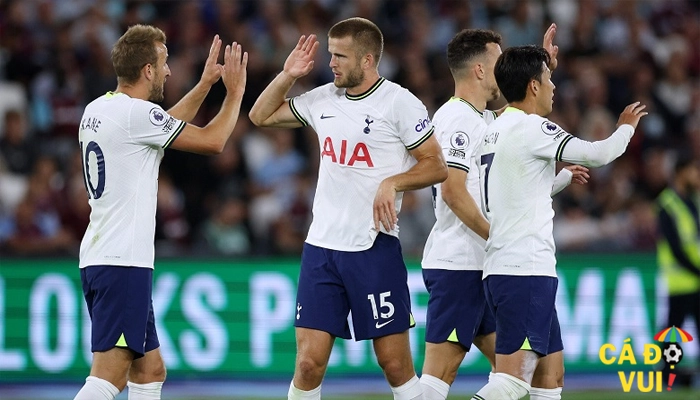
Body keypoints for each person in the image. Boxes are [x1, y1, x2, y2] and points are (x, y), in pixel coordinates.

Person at [248, 17, 448, 400]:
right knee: (308, 363)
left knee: (395, 366)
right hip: (322, 248)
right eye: (330, 54)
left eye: (340, 56)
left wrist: (393, 182)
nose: (331, 63)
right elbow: (260, 116)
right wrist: (288, 74)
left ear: (368, 59)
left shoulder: (399, 103)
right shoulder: (323, 98)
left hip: (373, 247)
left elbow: (435, 164)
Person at [74, 24, 247, 400]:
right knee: (108, 378)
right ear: (148, 70)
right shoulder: (136, 116)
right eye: (164, 63)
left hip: (102, 256)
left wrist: (203, 86)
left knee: (151, 369)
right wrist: (234, 95)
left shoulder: (99, 108)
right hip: (123, 262)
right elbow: (213, 140)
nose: (168, 71)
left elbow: (160, 130)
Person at [420, 26, 589, 400]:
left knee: (543, 372)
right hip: (461, 262)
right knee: (442, 374)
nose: (503, 70)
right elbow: (453, 191)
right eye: (499, 61)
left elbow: (523, 112)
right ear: (480, 70)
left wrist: (542, 70)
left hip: (490, 267)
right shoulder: (457, 121)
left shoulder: (485, 120)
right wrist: (499, 238)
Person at [471, 45, 647, 400]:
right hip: (525, 270)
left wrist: (561, 179)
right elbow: (599, 154)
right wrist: (626, 129)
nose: (553, 87)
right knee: (512, 382)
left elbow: (513, 198)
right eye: (549, 78)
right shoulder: (532, 128)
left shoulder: (492, 130)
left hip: (507, 267)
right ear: (533, 86)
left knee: (550, 378)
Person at [656, 153, 700, 387]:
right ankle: (667, 372)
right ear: (681, 173)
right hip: (681, 280)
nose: (696, 175)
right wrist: (696, 270)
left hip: (695, 278)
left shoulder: (693, 201)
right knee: (674, 330)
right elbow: (675, 247)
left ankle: (668, 372)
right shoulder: (667, 204)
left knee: (674, 330)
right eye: (693, 170)